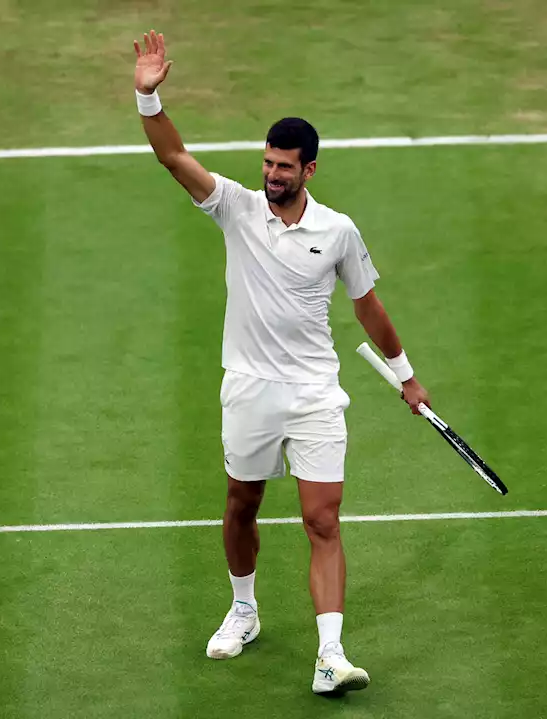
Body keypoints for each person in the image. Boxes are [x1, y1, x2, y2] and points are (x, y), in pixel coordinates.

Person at [133, 30, 430, 696]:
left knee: (323, 519)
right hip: (248, 390)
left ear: (310, 171)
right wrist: (147, 98)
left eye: (284, 168)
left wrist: (406, 373)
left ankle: (331, 654)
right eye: (267, 164)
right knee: (241, 503)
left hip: (315, 394)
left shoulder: (339, 232)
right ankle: (244, 607)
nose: (271, 176)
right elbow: (174, 157)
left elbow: (368, 307)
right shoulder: (237, 209)